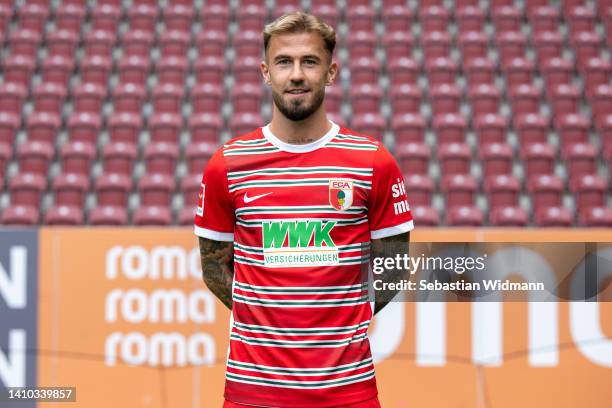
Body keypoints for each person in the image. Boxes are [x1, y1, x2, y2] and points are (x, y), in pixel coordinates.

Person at [195, 11, 413, 408]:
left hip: (349, 392)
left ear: (330, 72)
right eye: (284, 62)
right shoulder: (226, 165)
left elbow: (393, 267)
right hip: (252, 392)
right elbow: (213, 268)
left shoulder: (372, 162)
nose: (296, 74)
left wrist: (340, 321)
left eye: (309, 62)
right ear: (265, 72)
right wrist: (269, 323)